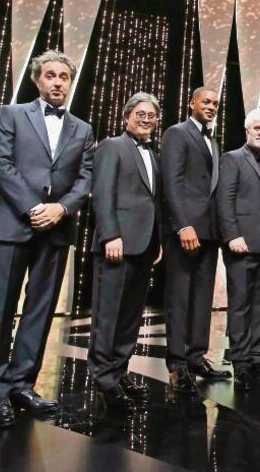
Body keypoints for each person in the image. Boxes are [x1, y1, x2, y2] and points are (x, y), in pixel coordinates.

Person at [0, 50, 95, 428]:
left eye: (64, 76)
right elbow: (1, 163)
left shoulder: (83, 128)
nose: (57, 82)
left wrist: (60, 209)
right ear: (37, 80)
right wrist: (34, 207)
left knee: (39, 311)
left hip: (57, 230)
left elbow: (86, 178)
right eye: (50, 75)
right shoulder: (13, 114)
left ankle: (21, 383)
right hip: (13, 224)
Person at [88, 92, 162, 410]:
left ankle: (118, 372)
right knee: (108, 316)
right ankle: (104, 380)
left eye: (151, 116)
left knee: (131, 318)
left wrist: (156, 241)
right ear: (127, 116)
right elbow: (102, 193)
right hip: (117, 244)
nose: (145, 120)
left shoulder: (153, 155)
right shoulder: (111, 146)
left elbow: (153, 202)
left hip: (144, 247)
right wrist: (110, 235)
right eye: (140, 114)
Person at [161, 86, 231, 393]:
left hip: (209, 231)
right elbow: (171, 183)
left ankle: (196, 356)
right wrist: (182, 226)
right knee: (179, 297)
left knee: (202, 298)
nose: (212, 106)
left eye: (216, 103)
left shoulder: (213, 142)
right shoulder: (177, 133)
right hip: (187, 231)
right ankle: (177, 363)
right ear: (192, 103)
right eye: (206, 101)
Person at [216, 108, 260, 390]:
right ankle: (240, 362)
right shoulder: (232, 159)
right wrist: (232, 234)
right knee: (241, 304)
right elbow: (225, 199)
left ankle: (256, 357)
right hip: (242, 244)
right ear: (247, 131)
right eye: (256, 128)